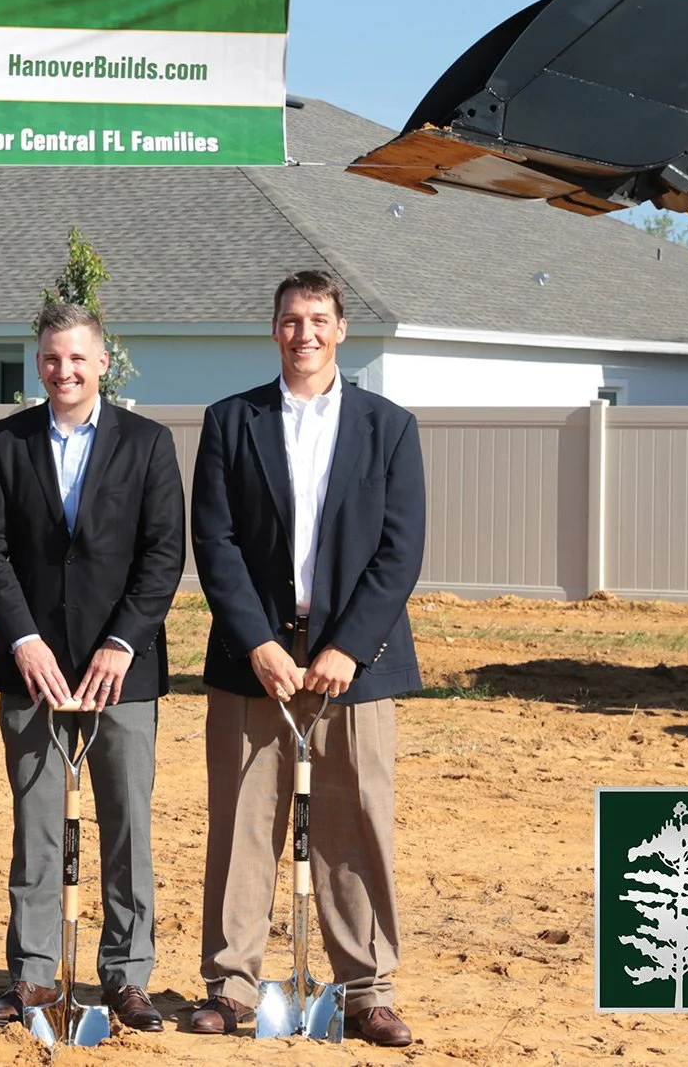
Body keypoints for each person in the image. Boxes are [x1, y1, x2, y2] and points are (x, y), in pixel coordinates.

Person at [186, 269, 425, 1047]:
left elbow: (400, 550)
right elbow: (214, 541)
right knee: (242, 825)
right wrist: (257, 640)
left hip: (355, 668)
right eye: (291, 319)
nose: (305, 333)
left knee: (354, 825)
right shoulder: (232, 421)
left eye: (319, 318)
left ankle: (367, 986)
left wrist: (349, 647)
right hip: (254, 661)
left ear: (342, 328)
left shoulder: (389, 427)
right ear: (274, 328)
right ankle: (230, 984)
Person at [0, 302, 185, 1034]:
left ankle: (126, 977)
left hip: (121, 672)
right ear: (40, 363)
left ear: (103, 362)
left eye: (77, 357)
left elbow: (163, 555)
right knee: (36, 826)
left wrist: (122, 641)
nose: (64, 369)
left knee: (127, 825)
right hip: (32, 671)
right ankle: (32, 975)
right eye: (51, 357)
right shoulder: (5, 442)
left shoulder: (148, 444)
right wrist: (23, 638)